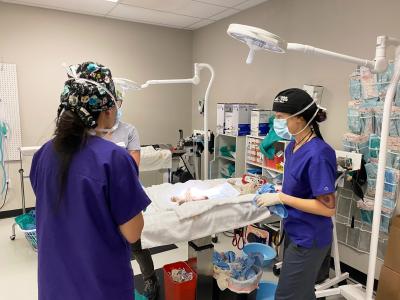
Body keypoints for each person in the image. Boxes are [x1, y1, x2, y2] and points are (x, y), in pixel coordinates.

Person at [30, 61, 151, 300]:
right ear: (107, 109)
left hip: (54, 282)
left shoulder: (42, 155)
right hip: (99, 284)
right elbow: (133, 233)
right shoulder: (114, 159)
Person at [256, 88, 337, 300]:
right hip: (296, 230)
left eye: (281, 117)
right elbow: (300, 186)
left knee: (286, 295)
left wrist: (282, 198)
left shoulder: (318, 154)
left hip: (310, 237)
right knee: (302, 292)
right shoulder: (294, 145)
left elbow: (328, 208)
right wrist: (280, 190)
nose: (276, 121)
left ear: (300, 119)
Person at [103, 89, 159, 300]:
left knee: (135, 243)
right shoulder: (91, 132)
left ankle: (150, 279)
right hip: (101, 196)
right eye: (109, 103)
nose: (113, 108)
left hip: (125, 192)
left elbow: (133, 167)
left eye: (117, 102)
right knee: (108, 247)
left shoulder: (129, 130)